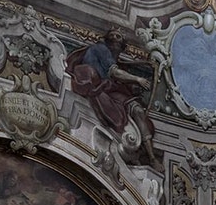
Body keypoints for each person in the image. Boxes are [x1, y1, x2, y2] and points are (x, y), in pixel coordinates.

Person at [66, 29, 161, 169]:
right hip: (99, 86)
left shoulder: (116, 60)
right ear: (106, 40)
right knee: (135, 110)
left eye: (119, 37)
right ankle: (149, 157)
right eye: (113, 36)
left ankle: (151, 157)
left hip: (110, 89)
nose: (116, 39)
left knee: (138, 110)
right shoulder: (100, 49)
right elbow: (114, 73)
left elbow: (116, 78)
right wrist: (137, 79)